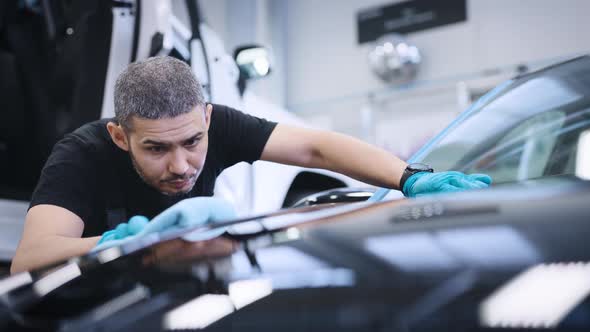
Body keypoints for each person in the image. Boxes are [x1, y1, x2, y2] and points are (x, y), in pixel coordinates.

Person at [10, 56, 491, 273]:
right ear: (120, 135)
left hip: (191, 278)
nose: (181, 164)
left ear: (208, 118)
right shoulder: (81, 153)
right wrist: (125, 241)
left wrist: (411, 178)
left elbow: (317, 149)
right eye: (156, 149)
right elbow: (29, 258)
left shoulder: (220, 125)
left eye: (193, 142)